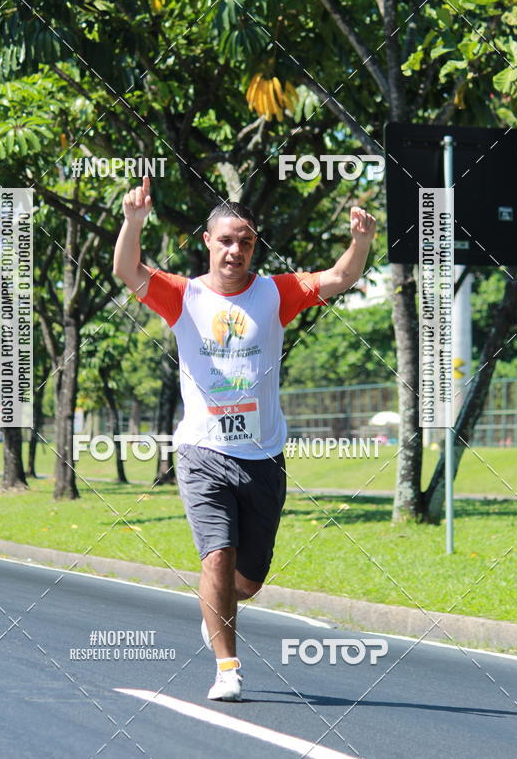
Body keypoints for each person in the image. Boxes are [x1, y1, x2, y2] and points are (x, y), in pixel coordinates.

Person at [113, 176, 376, 701]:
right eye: (227, 240)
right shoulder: (183, 295)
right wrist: (133, 222)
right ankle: (227, 668)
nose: (236, 250)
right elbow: (127, 270)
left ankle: (216, 610)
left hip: (264, 455)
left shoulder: (275, 293)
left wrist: (362, 240)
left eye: (246, 242)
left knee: (248, 580)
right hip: (202, 452)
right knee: (217, 556)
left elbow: (341, 276)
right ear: (207, 242)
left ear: (255, 246)